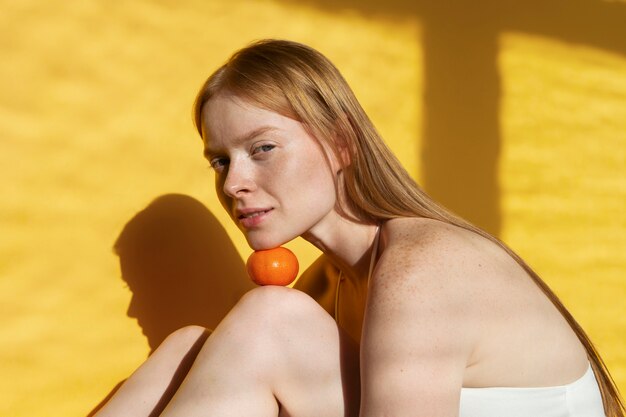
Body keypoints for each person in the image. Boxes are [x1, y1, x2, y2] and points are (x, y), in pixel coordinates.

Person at [94, 39, 624, 417]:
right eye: (220, 161)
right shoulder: (324, 287)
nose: (235, 183)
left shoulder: (424, 264)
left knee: (269, 321)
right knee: (190, 344)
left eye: (262, 149)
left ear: (342, 142)